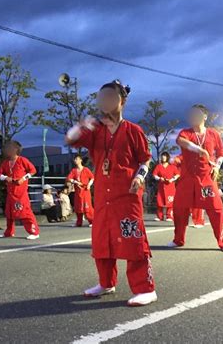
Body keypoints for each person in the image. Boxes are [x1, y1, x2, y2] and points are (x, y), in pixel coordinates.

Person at [65, 80, 157, 306]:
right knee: (101, 240)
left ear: (121, 101)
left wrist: (139, 176)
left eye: (109, 97)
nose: (104, 102)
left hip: (127, 196)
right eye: (101, 98)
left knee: (133, 240)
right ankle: (106, 282)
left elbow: (145, 159)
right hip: (104, 196)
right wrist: (82, 125)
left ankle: (145, 288)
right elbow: (71, 140)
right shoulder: (96, 130)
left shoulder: (133, 130)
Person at [167, 104, 223, 252]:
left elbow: (221, 153)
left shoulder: (213, 134)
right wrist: (198, 150)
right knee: (179, 209)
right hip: (187, 179)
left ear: (204, 116)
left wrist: (216, 166)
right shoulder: (186, 132)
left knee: (216, 209)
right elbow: (181, 142)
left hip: (206, 178)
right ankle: (178, 239)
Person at [0, 140, 40, 240]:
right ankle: (9, 232)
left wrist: (23, 178)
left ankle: (34, 231)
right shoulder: (6, 162)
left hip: (21, 192)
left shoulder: (22, 160)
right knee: (9, 213)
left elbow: (33, 170)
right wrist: (5, 178)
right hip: (10, 191)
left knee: (25, 212)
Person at [67, 155, 95, 227]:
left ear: (80, 160)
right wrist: (76, 182)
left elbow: (92, 178)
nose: (75, 161)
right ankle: (79, 222)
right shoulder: (74, 170)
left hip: (85, 191)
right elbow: (69, 178)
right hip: (78, 191)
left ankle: (92, 221)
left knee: (87, 207)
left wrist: (89, 185)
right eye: (74, 159)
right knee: (78, 207)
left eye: (76, 159)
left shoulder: (86, 169)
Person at [152, 152, 179, 222]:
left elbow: (177, 174)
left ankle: (169, 216)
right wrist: (159, 178)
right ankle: (159, 216)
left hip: (170, 187)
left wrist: (172, 179)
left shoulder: (172, 167)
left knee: (170, 202)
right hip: (161, 187)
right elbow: (154, 175)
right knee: (159, 201)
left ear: (167, 157)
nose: (163, 157)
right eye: (162, 156)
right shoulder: (159, 166)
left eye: (165, 156)